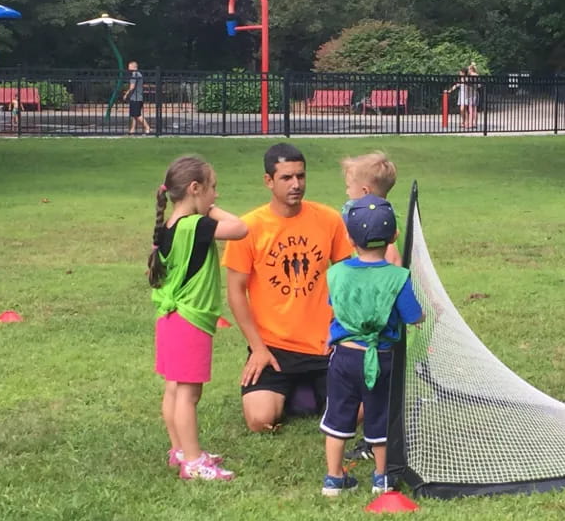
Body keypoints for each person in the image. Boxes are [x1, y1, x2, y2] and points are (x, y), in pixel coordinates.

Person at [222, 143, 354, 432]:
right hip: (274, 349)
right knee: (260, 421)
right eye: (286, 178)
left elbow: (347, 278)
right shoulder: (248, 228)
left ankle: (305, 393)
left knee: (358, 414)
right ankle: (301, 393)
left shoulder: (329, 219)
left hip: (324, 347)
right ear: (268, 181)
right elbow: (235, 292)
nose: (296, 184)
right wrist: (258, 349)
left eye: (301, 176)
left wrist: (344, 333)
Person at [149, 155, 248, 481]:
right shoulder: (197, 225)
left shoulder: (168, 226)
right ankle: (193, 461)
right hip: (190, 320)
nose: (216, 195)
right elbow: (241, 228)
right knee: (189, 395)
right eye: (213, 188)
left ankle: (180, 451)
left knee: (174, 389)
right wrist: (209, 210)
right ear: (194, 189)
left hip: (169, 318)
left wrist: (202, 206)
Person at [319, 195, 424, 496]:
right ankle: (382, 478)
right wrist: (424, 315)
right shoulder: (398, 277)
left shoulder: (336, 273)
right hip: (381, 358)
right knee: (379, 416)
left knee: (338, 415)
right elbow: (414, 316)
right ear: (393, 237)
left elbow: (335, 306)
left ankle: (333, 479)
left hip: (343, 358)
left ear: (350, 238)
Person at [340, 151, 402, 463]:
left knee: (376, 389)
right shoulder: (379, 233)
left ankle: (377, 440)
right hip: (370, 336)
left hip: (376, 336)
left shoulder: (383, 244)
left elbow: (392, 279)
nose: (346, 195)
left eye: (348, 189)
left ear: (364, 193)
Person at [123, 60, 151, 135]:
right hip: (139, 97)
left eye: (129, 66)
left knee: (137, 115)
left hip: (135, 97)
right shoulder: (139, 74)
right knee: (134, 115)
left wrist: (126, 94)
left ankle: (147, 127)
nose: (128, 68)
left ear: (133, 67)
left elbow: (132, 87)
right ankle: (132, 130)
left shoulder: (134, 74)